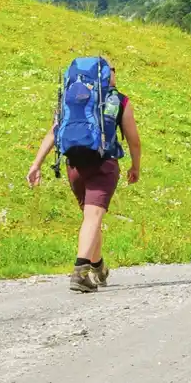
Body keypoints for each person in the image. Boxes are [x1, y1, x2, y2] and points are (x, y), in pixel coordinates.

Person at [27, 58, 142, 293]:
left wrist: (36, 164)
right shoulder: (119, 100)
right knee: (93, 218)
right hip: (103, 164)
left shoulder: (73, 98)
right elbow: (134, 140)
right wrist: (135, 166)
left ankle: (98, 266)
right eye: (113, 69)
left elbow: (53, 131)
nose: (115, 73)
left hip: (74, 165)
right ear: (106, 74)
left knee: (91, 219)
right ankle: (80, 271)